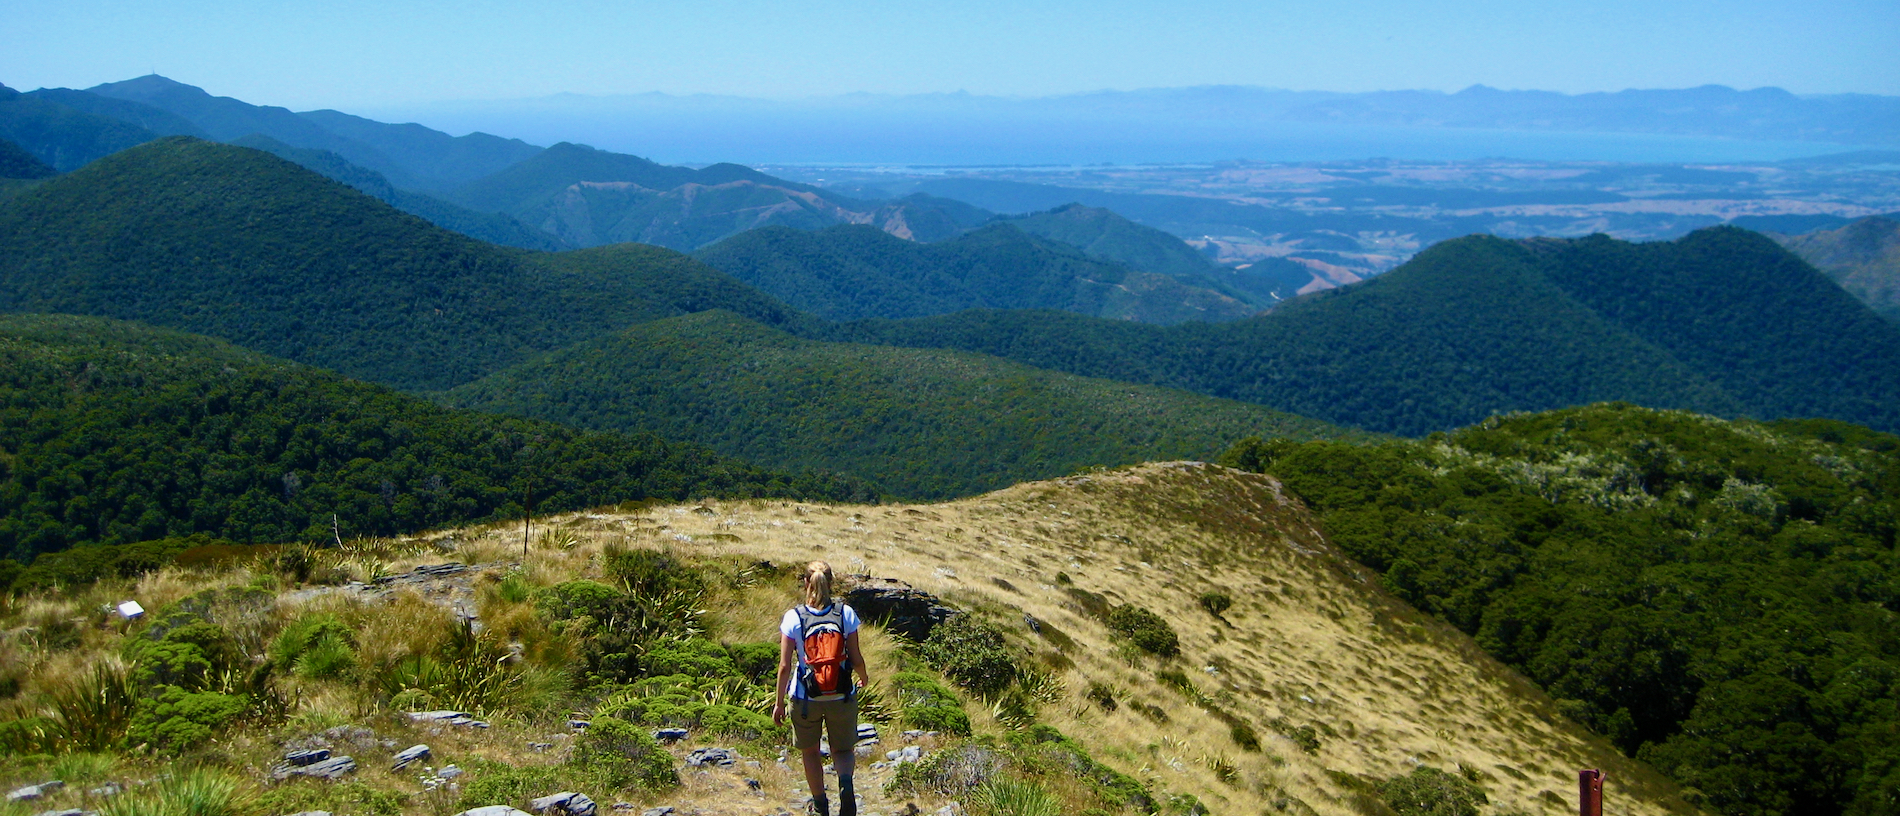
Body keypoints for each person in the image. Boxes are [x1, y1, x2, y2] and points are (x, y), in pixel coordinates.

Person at [773, 561, 871, 816]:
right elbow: (856, 657)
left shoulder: (793, 617)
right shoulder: (845, 614)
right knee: (843, 749)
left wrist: (779, 702)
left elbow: (784, 666)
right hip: (841, 694)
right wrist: (863, 677)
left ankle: (820, 806)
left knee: (810, 752)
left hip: (805, 697)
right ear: (831, 582)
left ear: (806, 582)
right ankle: (846, 785)